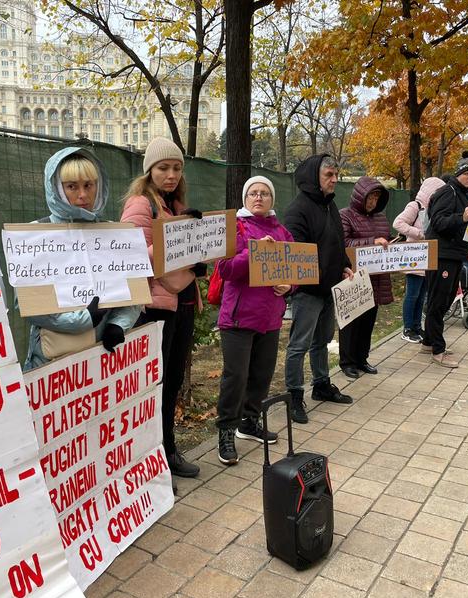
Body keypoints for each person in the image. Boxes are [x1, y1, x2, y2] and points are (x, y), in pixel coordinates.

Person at [121, 137, 206, 478]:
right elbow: (131, 256)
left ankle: (168, 451)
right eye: (163, 168)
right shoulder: (141, 205)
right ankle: (153, 458)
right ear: (149, 171)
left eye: (176, 168)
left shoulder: (175, 205)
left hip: (182, 303)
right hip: (154, 308)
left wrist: (197, 256)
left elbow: (183, 256)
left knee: (170, 384)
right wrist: (177, 244)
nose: (170, 175)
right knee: (155, 386)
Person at [23, 148, 140, 371]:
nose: (83, 195)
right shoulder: (36, 235)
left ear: (99, 185)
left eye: (88, 185)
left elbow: (132, 292)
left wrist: (118, 324)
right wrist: (83, 319)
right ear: (57, 188)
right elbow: (32, 306)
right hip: (51, 361)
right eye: (72, 186)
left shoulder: (114, 236)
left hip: (101, 356)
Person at [215, 176, 293, 465]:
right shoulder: (235, 227)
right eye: (253, 193)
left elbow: (294, 268)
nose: (258, 197)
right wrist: (254, 251)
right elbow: (224, 268)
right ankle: (225, 430)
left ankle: (248, 422)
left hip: (270, 318)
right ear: (245, 199)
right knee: (235, 376)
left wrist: (290, 286)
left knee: (262, 374)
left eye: (264, 193)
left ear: (272, 199)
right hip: (238, 317)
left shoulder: (283, 231)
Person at [284, 154, 353, 424]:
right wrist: (320, 275)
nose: (335, 180)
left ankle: (321, 385)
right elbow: (297, 252)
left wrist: (344, 264)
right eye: (329, 175)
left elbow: (336, 240)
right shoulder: (298, 210)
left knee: (322, 341)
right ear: (315, 177)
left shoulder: (329, 205)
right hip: (308, 291)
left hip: (329, 288)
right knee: (299, 344)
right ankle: (294, 395)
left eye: (336, 175)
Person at [422, 154, 468, 368]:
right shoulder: (448, 191)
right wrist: (461, 218)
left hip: (455, 253)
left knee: (445, 300)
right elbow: (438, 222)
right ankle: (438, 349)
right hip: (441, 254)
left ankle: (428, 341)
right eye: (466, 173)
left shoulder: (466, 195)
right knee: (439, 301)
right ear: (458, 175)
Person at [339, 176, 392, 378]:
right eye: (370, 197)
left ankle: (362, 358)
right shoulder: (345, 215)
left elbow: (384, 240)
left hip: (376, 279)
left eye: (376, 198)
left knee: (368, 322)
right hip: (353, 278)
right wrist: (372, 241)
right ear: (360, 196)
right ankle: (347, 362)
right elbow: (343, 243)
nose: (372, 202)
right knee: (351, 322)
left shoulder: (380, 217)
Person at [393, 177, 445, 343]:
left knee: (422, 295)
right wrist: (420, 234)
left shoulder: (433, 209)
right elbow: (398, 223)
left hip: (427, 259)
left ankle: (416, 326)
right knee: (412, 294)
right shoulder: (414, 206)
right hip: (414, 257)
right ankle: (407, 328)